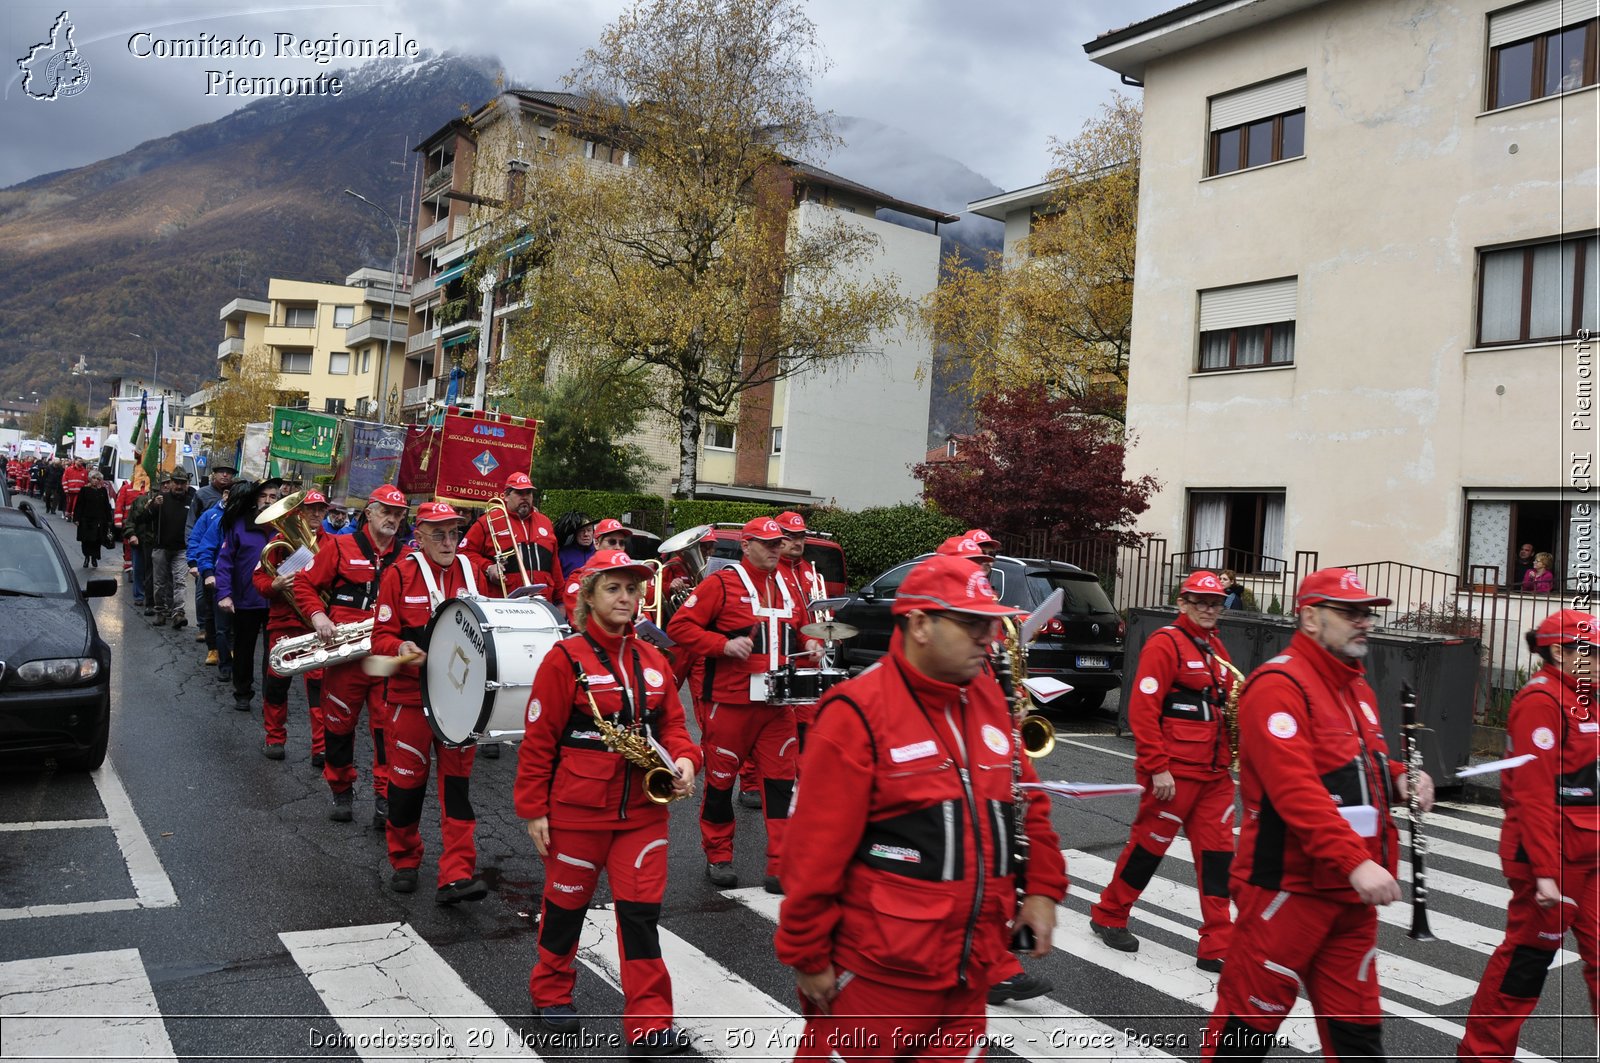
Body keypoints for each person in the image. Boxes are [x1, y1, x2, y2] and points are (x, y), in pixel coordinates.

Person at [775, 554, 1066, 1060]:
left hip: (970, 973)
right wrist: (808, 954)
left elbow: (1028, 801)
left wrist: (1042, 889)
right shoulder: (856, 715)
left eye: (993, 623)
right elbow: (811, 855)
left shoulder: (989, 701)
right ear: (920, 624)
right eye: (973, 623)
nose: (988, 636)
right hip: (877, 978)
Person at [1203, 568, 1435, 1061]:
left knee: (1358, 1034)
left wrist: (1400, 777)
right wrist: (1355, 862)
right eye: (1350, 612)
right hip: (1289, 891)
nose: (1365, 621)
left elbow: (1358, 764)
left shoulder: (1357, 691)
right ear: (1310, 617)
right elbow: (1296, 791)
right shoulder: (1278, 685)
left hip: (1348, 900)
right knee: (1246, 1032)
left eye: (1366, 612)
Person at [516, 549, 701, 1048]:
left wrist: (685, 761)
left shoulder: (655, 660)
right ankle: (550, 993)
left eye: (633, 588)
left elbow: (676, 729)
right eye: (614, 588)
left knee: (641, 917)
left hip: (642, 813)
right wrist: (534, 808)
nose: (626, 597)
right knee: (565, 907)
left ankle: (650, 1022)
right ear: (589, 596)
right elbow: (538, 740)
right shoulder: (564, 659)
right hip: (577, 813)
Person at [1458, 609, 1599, 1062]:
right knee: (1525, 965)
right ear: (1559, 652)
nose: (1598, 660)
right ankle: (1482, 1055)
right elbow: (1534, 795)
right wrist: (1545, 872)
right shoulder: (1541, 700)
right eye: (1590, 651)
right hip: (1554, 860)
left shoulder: (1587, 698)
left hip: (1591, 854)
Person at [1091, 570, 1236, 971]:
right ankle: (1110, 914)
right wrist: (1158, 768)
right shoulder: (1166, 643)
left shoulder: (1216, 647)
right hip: (1174, 773)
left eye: (1215, 602)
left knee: (1219, 859)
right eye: (1200, 601)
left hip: (1215, 774)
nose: (1208, 609)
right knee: (1148, 850)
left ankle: (1216, 945)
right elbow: (1142, 708)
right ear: (1183, 603)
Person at [668, 517, 817, 893]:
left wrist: (813, 646)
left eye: (778, 543)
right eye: (767, 543)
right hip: (731, 704)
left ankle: (781, 864)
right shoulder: (722, 582)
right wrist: (723, 646)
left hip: (778, 706)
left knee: (782, 785)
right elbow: (680, 628)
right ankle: (718, 856)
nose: (774, 549)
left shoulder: (788, 584)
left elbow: (802, 631)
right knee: (720, 784)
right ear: (747, 544)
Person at [370, 501, 492, 901]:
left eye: (454, 532)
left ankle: (456, 872)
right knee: (406, 786)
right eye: (437, 533)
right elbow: (380, 640)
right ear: (418, 535)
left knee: (457, 788)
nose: (447, 541)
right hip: (410, 697)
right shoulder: (399, 574)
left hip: (462, 700)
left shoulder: (474, 572)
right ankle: (404, 858)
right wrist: (402, 646)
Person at [293, 484, 410, 827]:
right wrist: (318, 615)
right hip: (345, 655)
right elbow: (304, 583)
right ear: (369, 513)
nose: (393, 518)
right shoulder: (340, 546)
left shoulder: (407, 557)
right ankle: (341, 789)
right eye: (387, 511)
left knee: (387, 729)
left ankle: (384, 798)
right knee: (339, 726)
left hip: (386, 656)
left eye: (399, 513)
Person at [252, 489, 331, 762]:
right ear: (300, 512)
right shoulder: (278, 542)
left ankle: (321, 747)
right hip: (283, 622)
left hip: (316, 625)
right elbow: (260, 580)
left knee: (319, 689)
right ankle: (275, 739)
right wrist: (274, 584)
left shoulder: (333, 544)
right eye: (311, 509)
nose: (317, 514)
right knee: (276, 684)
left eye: (321, 510)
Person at [215, 479, 282, 711]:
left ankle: (270, 698)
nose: (267, 500)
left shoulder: (284, 526)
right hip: (247, 599)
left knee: (274, 652)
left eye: (273, 497)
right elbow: (225, 563)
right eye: (263, 496)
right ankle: (242, 692)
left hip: (277, 599)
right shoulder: (240, 525)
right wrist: (224, 593)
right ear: (255, 498)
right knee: (244, 649)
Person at [463, 473, 563, 600]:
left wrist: (561, 600)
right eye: (519, 493)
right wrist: (488, 567)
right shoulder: (488, 521)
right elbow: (464, 552)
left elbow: (554, 565)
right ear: (505, 496)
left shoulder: (546, 522)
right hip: (504, 602)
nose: (525, 497)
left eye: (529, 493)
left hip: (542, 602)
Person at [188, 486, 230, 666]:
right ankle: (213, 648)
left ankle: (228, 649)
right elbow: (196, 539)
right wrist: (194, 563)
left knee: (230, 617)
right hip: (209, 571)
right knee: (211, 613)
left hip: (229, 575)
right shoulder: (211, 515)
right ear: (226, 495)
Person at [149, 469, 196, 628]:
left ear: (186, 484)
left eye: (182, 483)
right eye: (176, 482)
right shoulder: (161, 499)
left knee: (180, 581)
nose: (179, 486)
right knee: (160, 583)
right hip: (161, 546)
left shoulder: (191, 501)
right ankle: (160, 611)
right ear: (170, 483)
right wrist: (155, 505)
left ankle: (178, 613)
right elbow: (146, 517)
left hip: (182, 549)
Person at [74, 470, 114, 569]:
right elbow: (79, 505)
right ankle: (87, 557)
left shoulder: (103, 491)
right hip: (86, 520)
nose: (96, 481)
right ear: (90, 479)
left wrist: (109, 520)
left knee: (97, 540)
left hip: (99, 520)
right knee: (86, 540)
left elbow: (106, 506)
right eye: (94, 478)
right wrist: (77, 518)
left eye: (98, 479)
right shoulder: (84, 490)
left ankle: (94, 557)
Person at [556, 511, 598, 576]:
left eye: (589, 530)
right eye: (582, 530)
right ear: (575, 533)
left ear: (593, 532)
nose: (586, 534)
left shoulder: (600, 553)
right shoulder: (562, 554)